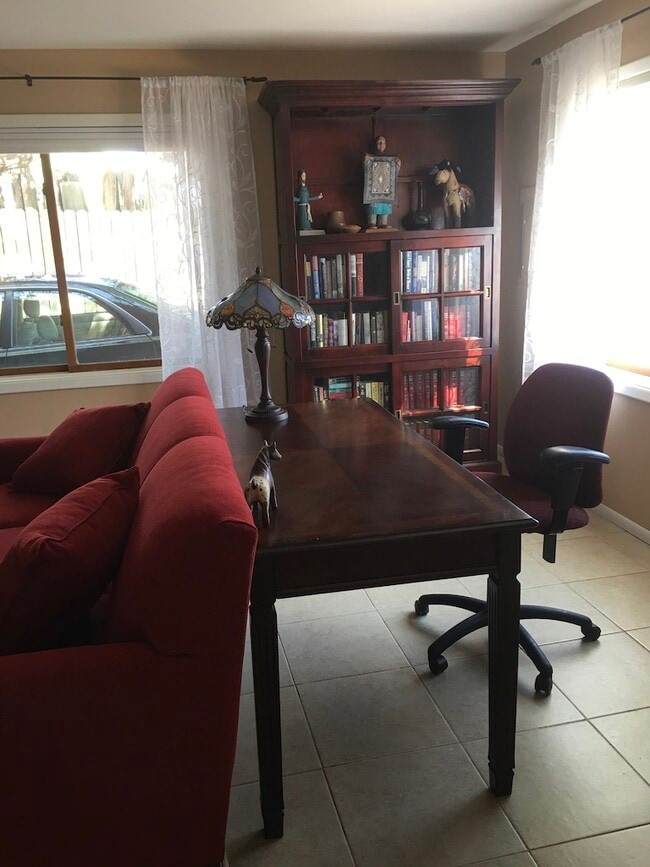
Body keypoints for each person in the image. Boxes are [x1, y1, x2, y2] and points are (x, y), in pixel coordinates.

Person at [363, 135, 401, 229]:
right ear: (375, 144)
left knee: (385, 206)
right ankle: (371, 222)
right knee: (373, 206)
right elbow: (366, 172)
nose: (381, 145)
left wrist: (398, 165)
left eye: (383, 143)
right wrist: (365, 162)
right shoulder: (370, 159)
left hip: (385, 188)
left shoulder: (390, 160)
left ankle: (383, 222)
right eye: (379, 142)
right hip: (374, 188)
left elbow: (394, 173)